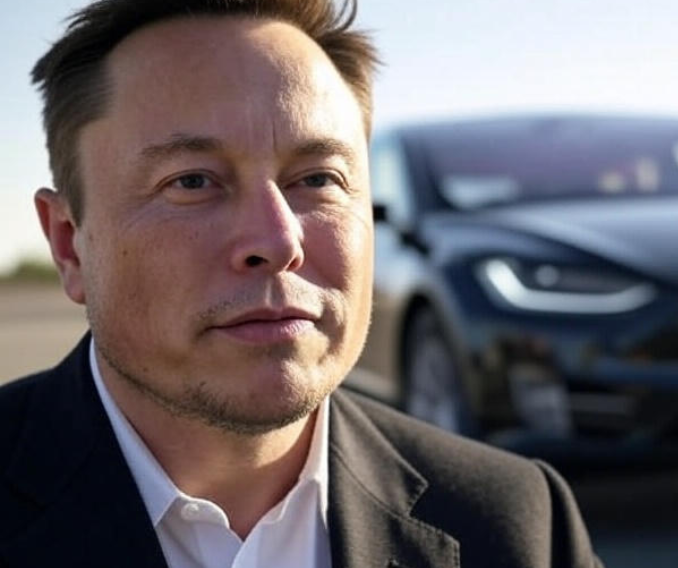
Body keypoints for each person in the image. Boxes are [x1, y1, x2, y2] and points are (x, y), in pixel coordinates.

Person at [0, 1, 603, 566]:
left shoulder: (515, 523)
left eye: (318, 179)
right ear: (69, 244)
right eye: (191, 182)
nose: (278, 240)